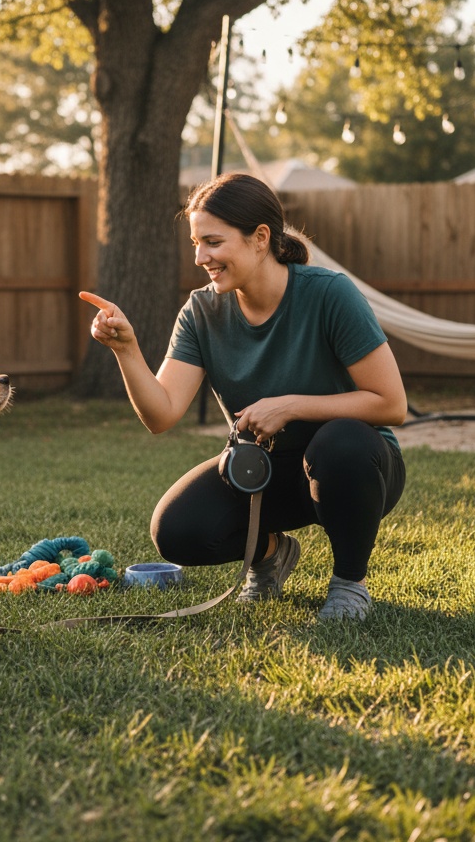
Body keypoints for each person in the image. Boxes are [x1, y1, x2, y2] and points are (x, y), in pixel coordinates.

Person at [80, 172, 407, 621]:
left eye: (213, 242)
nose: (201, 257)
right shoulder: (201, 311)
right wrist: (127, 350)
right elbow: (161, 414)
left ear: (260, 238)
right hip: (263, 471)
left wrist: (290, 406)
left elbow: (391, 404)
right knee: (176, 530)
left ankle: (350, 584)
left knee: (341, 442)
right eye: (196, 243)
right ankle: (271, 554)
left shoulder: (329, 294)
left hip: (355, 470)